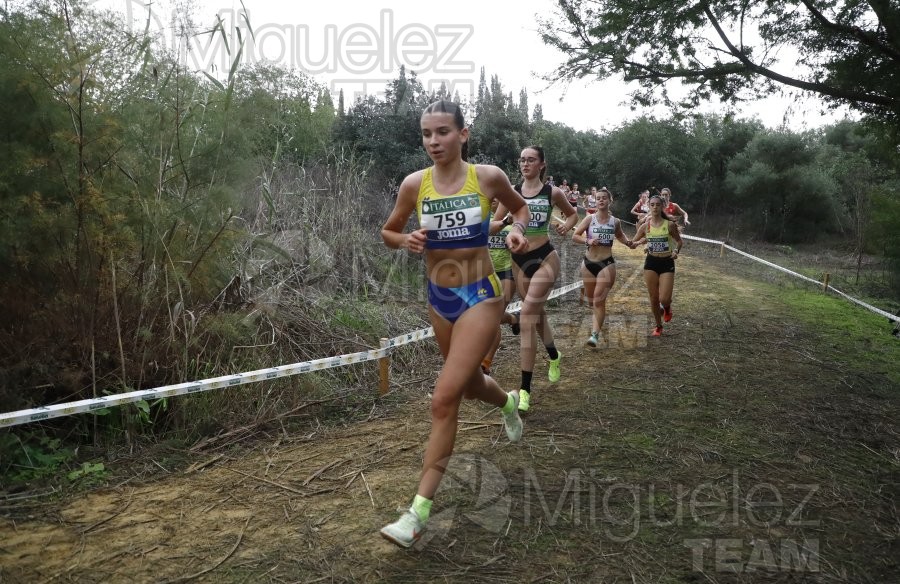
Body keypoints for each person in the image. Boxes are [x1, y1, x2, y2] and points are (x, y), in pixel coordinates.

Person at [379, 100, 530, 548]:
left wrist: (516, 231)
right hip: (439, 298)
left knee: (443, 400)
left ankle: (416, 514)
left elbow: (520, 209)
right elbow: (388, 231)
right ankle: (506, 402)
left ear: (463, 134)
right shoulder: (414, 184)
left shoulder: (487, 176)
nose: (433, 142)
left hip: (481, 294)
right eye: (426, 134)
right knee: (467, 386)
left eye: (442, 132)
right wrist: (405, 239)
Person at [494, 146, 579, 412]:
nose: (525, 163)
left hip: (544, 257)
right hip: (518, 262)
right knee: (537, 315)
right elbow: (496, 224)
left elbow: (573, 213)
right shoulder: (511, 192)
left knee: (529, 315)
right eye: (522, 160)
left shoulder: (552, 192)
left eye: (531, 160)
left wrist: (567, 225)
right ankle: (554, 355)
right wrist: (502, 223)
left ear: (542, 164)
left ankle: (525, 389)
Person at [572, 188, 633, 346]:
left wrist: (629, 243)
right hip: (588, 263)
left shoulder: (615, 221)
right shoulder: (589, 219)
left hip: (607, 263)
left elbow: (619, 235)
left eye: (604, 198)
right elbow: (575, 235)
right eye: (598, 198)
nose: (600, 200)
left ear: (609, 201)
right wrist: (588, 241)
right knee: (591, 301)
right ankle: (594, 315)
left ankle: (594, 335)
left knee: (599, 301)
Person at [631, 192, 684, 337]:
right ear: (648, 206)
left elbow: (679, 242)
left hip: (667, 262)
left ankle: (667, 307)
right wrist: (630, 242)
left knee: (664, 299)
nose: (654, 207)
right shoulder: (645, 226)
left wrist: (676, 251)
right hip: (651, 262)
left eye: (658, 205)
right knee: (654, 299)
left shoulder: (670, 225)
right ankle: (658, 326)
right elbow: (633, 242)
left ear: (662, 207)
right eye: (652, 205)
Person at [482, 199, 520, 376]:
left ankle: (486, 363)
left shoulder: (513, 218)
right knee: (484, 316)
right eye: (492, 197)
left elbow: (521, 244)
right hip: (485, 273)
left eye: (499, 198)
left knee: (494, 317)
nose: (495, 200)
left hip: (507, 272)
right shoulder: (481, 217)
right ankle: (513, 319)